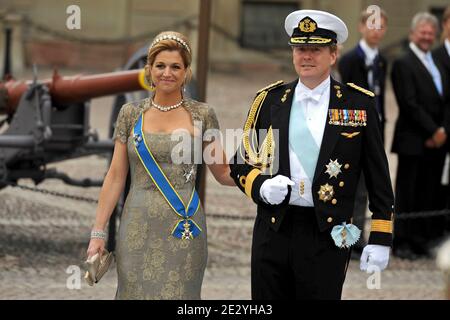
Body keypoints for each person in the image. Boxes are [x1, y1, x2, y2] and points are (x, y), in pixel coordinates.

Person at [230, 10, 394, 299]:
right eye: (300, 49)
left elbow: (378, 176)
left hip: (328, 233)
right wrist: (261, 186)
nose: (305, 56)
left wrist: (381, 236)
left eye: (315, 49)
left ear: (333, 55)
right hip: (274, 229)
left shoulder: (359, 105)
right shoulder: (269, 100)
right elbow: (241, 162)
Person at [86, 31, 235, 300]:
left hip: (184, 228)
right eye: (160, 66)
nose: (167, 73)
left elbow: (222, 172)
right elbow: (116, 176)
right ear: (149, 69)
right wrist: (98, 232)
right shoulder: (130, 114)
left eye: (176, 66)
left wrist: (261, 173)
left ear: (186, 71)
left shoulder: (202, 114)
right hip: (137, 228)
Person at [391, 12, 450, 259]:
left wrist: (443, 130)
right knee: (408, 192)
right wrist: (433, 130)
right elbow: (409, 103)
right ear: (412, 34)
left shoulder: (433, 61)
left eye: (430, 33)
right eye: (422, 32)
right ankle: (402, 240)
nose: (426, 37)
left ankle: (419, 238)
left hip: (435, 141)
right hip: (413, 140)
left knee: (426, 193)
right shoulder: (403, 63)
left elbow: (446, 99)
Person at [338, 9, 388, 256]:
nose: (375, 31)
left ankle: (360, 234)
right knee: (351, 186)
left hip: (375, 130)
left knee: (368, 188)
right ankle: (348, 236)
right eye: (371, 25)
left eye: (380, 26)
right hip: (353, 132)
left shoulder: (381, 60)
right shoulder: (349, 60)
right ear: (361, 27)